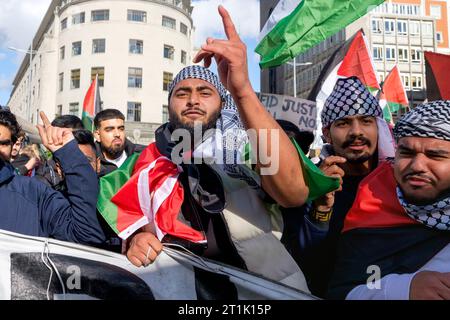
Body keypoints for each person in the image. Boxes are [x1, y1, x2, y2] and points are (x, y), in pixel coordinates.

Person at [116, 6, 312, 293]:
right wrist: (136, 239)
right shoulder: (146, 162)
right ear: (169, 105)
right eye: (182, 93)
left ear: (221, 103)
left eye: (205, 92)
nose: (193, 99)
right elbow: (128, 215)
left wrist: (242, 88)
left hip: (263, 291)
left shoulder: (245, 147)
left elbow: (294, 193)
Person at [328, 100, 450, 300]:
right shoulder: (372, 209)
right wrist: (404, 289)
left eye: (435, 155)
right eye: (406, 153)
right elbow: (343, 291)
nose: (417, 165)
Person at [297, 76, 395, 297]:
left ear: (379, 128)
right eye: (343, 123)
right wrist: (320, 209)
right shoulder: (307, 183)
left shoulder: (399, 182)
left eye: (366, 121)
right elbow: (305, 260)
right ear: (326, 133)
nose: (356, 132)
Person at [0, 109, 104, 244]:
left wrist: (69, 153)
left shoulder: (33, 192)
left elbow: (86, 235)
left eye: (3, 143)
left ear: (13, 146)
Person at [93, 109, 145, 177]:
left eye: (121, 129)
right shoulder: (89, 161)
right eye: (109, 130)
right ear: (97, 135)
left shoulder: (142, 154)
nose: (117, 134)